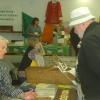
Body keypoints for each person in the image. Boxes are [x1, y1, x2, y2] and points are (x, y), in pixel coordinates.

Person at [69, 7, 100, 100]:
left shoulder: (89, 39)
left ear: (82, 24)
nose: (74, 31)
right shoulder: (96, 30)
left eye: (75, 27)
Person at [0, 35, 37, 100]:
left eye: (6, 48)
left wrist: (22, 95)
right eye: (3, 48)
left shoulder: (3, 66)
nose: (6, 51)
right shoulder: (32, 50)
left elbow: (7, 88)